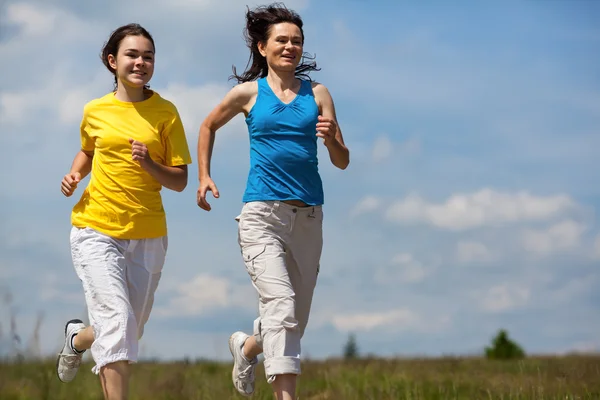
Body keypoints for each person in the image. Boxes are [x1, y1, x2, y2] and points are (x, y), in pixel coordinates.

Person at [196, 3, 350, 399]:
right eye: (281, 40)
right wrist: (204, 174)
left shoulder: (319, 94)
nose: (290, 46)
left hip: (309, 218)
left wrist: (332, 138)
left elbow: (342, 161)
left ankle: (247, 348)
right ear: (263, 47)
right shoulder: (248, 93)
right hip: (262, 214)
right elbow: (208, 124)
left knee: (293, 319)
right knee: (280, 307)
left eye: (296, 41)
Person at [56, 23, 192, 400]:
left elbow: (180, 180)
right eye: (132, 55)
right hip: (95, 228)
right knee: (117, 324)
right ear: (113, 61)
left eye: (148, 56)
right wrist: (74, 174)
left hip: (148, 234)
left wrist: (150, 164)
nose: (141, 62)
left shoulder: (166, 112)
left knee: (125, 329)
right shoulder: (95, 110)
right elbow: (87, 149)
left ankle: (77, 338)